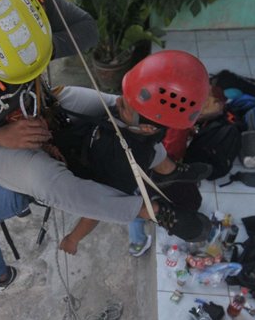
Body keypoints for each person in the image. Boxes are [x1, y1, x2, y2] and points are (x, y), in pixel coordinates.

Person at [0, 0, 211, 300]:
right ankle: (149, 210)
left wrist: (42, 45)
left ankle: (169, 169)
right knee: (53, 184)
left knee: (119, 107)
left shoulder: (25, 1)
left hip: (47, 103)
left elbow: (86, 30)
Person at [55, 51, 213, 257]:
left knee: (135, 205)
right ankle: (171, 171)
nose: (118, 101)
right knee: (157, 155)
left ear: (147, 128)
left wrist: (73, 239)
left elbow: (97, 205)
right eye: (124, 97)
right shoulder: (149, 123)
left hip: (104, 166)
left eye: (125, 106)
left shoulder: (122, 164)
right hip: (102, 142)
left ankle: (141, 238)